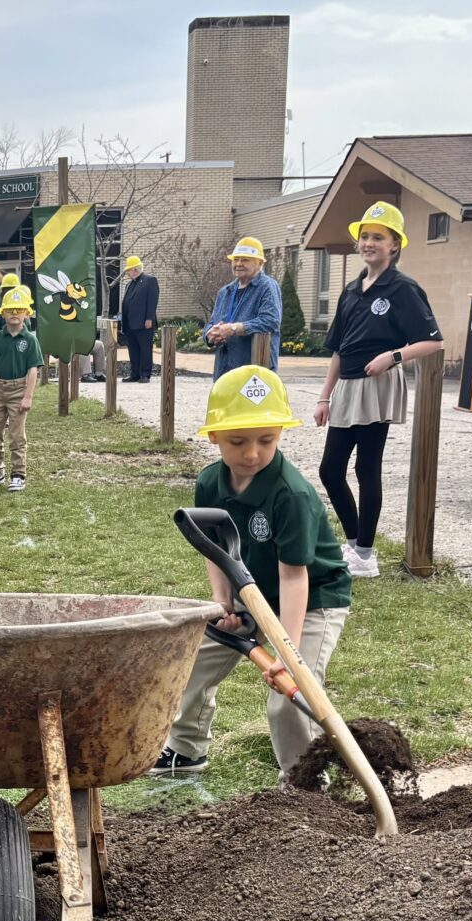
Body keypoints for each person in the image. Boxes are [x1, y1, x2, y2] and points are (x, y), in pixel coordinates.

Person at [157, 365, 354, 778]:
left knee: (289, 693)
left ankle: (304, 783)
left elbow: (295, 576)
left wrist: (289, 652)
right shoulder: (211, 483)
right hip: (252, 593)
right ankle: (187, 750)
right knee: (194, 662)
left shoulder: (290, 494)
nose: (252, 453)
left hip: (311, 600)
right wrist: (221, 603)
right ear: (213, 436)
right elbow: (213, 549)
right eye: (237, 441)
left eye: (267, 440)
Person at [314, 202, 444, 578]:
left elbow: (432, 342)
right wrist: (325, 395)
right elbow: (338, 348)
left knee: (367, 467)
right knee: (330, 470)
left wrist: (393, 356)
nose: (369, 243)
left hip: (378, 387)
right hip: (348, 387)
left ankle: (365, 555)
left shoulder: (403, 289)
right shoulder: (352, 290)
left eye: (378, 237)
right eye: (365, 236)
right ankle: (355, 543)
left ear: (394, 246)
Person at [0, 284, 41, 492]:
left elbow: (33, 370)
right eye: (10, 310)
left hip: (18, 390)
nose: (14, 314)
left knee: (17, 435)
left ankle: (18, 474)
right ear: (3, 313)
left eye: (19, 310)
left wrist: (28, 396)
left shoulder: (31, 340)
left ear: (27, 313)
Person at [207, 240, 282, 377]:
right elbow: (212, 323)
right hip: (224, 370)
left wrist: (233, 329)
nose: (238, 264)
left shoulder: (267, 287)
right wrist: (211, 334)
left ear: (260, 263)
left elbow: (270, 321)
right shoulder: (225, 292)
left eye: (245, 260)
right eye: (235, 260)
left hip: (254, 372)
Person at [119, 254, 161, 382]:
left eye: (129, 271)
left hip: (144, 323)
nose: (128, 273)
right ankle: (135, 373)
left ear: (135, 269)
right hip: (130, 323)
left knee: (145, 349)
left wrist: (149, 318)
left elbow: (152, 301)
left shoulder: (149, 280)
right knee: (133, 349)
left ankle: (145, 374)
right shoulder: (130, 284)